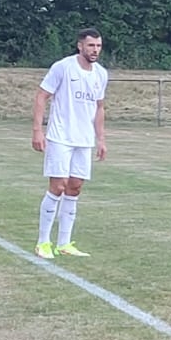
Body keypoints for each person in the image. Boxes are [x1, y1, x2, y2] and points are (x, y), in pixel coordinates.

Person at [32, 28, 108, 259]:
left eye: (98, 46)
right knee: (58, 186)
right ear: (80, 46)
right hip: (60, 136)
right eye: (91, 45)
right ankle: (43, 243)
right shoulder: (63, 67)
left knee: (75, 187)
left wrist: (101, 139)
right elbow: (41, 96)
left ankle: (64, 243)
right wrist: (38, 130)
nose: (95, 50)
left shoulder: (101, 74)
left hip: (83, 140)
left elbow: (99, 107)